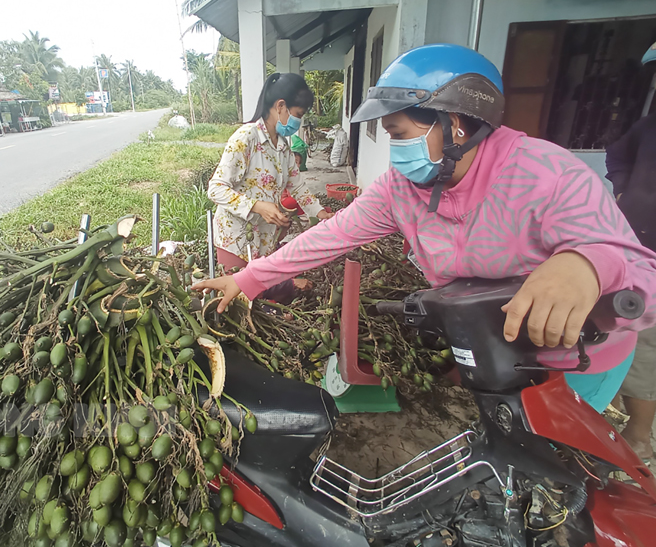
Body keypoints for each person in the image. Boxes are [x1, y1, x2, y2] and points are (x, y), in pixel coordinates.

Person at [195, 43, 656, 414]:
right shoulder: (403, 189)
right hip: (491, 355)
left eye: (397, 134)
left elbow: (644, 279)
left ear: (452, 124)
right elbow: (330, 236)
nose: (394, 149)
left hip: (572, 365)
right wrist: (248, 278)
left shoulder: (547, 175)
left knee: (557, 488)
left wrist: (585, 265)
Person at [208, 72, 333, 276]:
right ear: (280, 106)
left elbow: (298, 187)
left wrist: (320, 213)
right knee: (238, 303)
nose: (298, 123)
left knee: (259, 301)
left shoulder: (283, 147)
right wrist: (258, 206)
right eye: (298, 115)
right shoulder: (246, 137)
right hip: (236, 239)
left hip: (265, 238)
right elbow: (215, 189)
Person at [605, 41, 656, 459]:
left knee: (646, 346)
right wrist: (623, 187)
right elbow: (616, 154)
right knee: (620, 333)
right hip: (633, 247)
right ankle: (618, 418)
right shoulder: (648, 127)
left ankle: (639, 436)